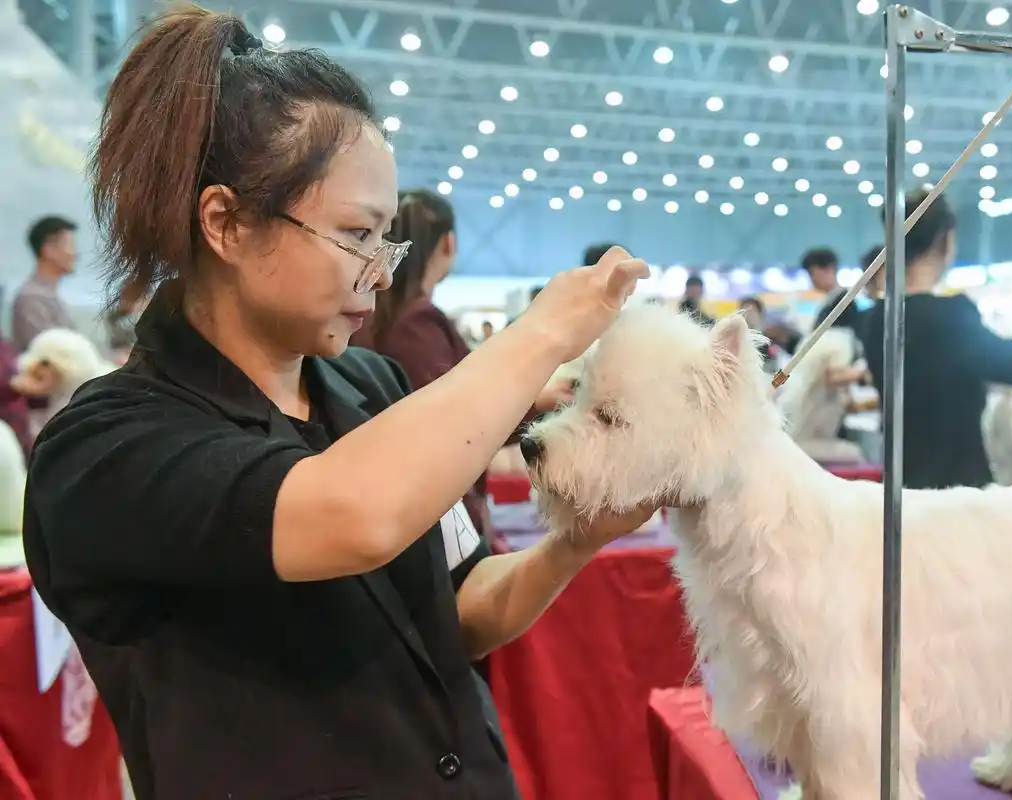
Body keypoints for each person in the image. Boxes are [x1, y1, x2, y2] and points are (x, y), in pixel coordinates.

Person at [21, 9, 656, 799]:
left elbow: (461, 609)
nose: (381, 274)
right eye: (357, 235)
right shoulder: (107, 449)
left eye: (386, 240)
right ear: (225, 223)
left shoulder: (374, 388)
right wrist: (540, 338)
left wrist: (574, 543)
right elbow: (353, 517)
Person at [350, 188, 573, 548]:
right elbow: (456, 424)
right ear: (449, 243)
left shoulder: (378, 320)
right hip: (434, 516)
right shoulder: (417, 324)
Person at [862, 189, 1012, 489]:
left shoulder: (877, 318)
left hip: (901, 491)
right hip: (959, 495)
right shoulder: (950, 315)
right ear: (945, 239)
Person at [12, 216, 78, 353]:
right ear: (48, 250)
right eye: (70, 245)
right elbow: (48, 355)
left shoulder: (50, 294)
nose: (74, 253)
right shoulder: (31, 298)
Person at [805, 247, 864, 336]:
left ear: (829, 269)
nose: (811, 279)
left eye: (811, 273)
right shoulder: (832, 301)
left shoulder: (844, 304)